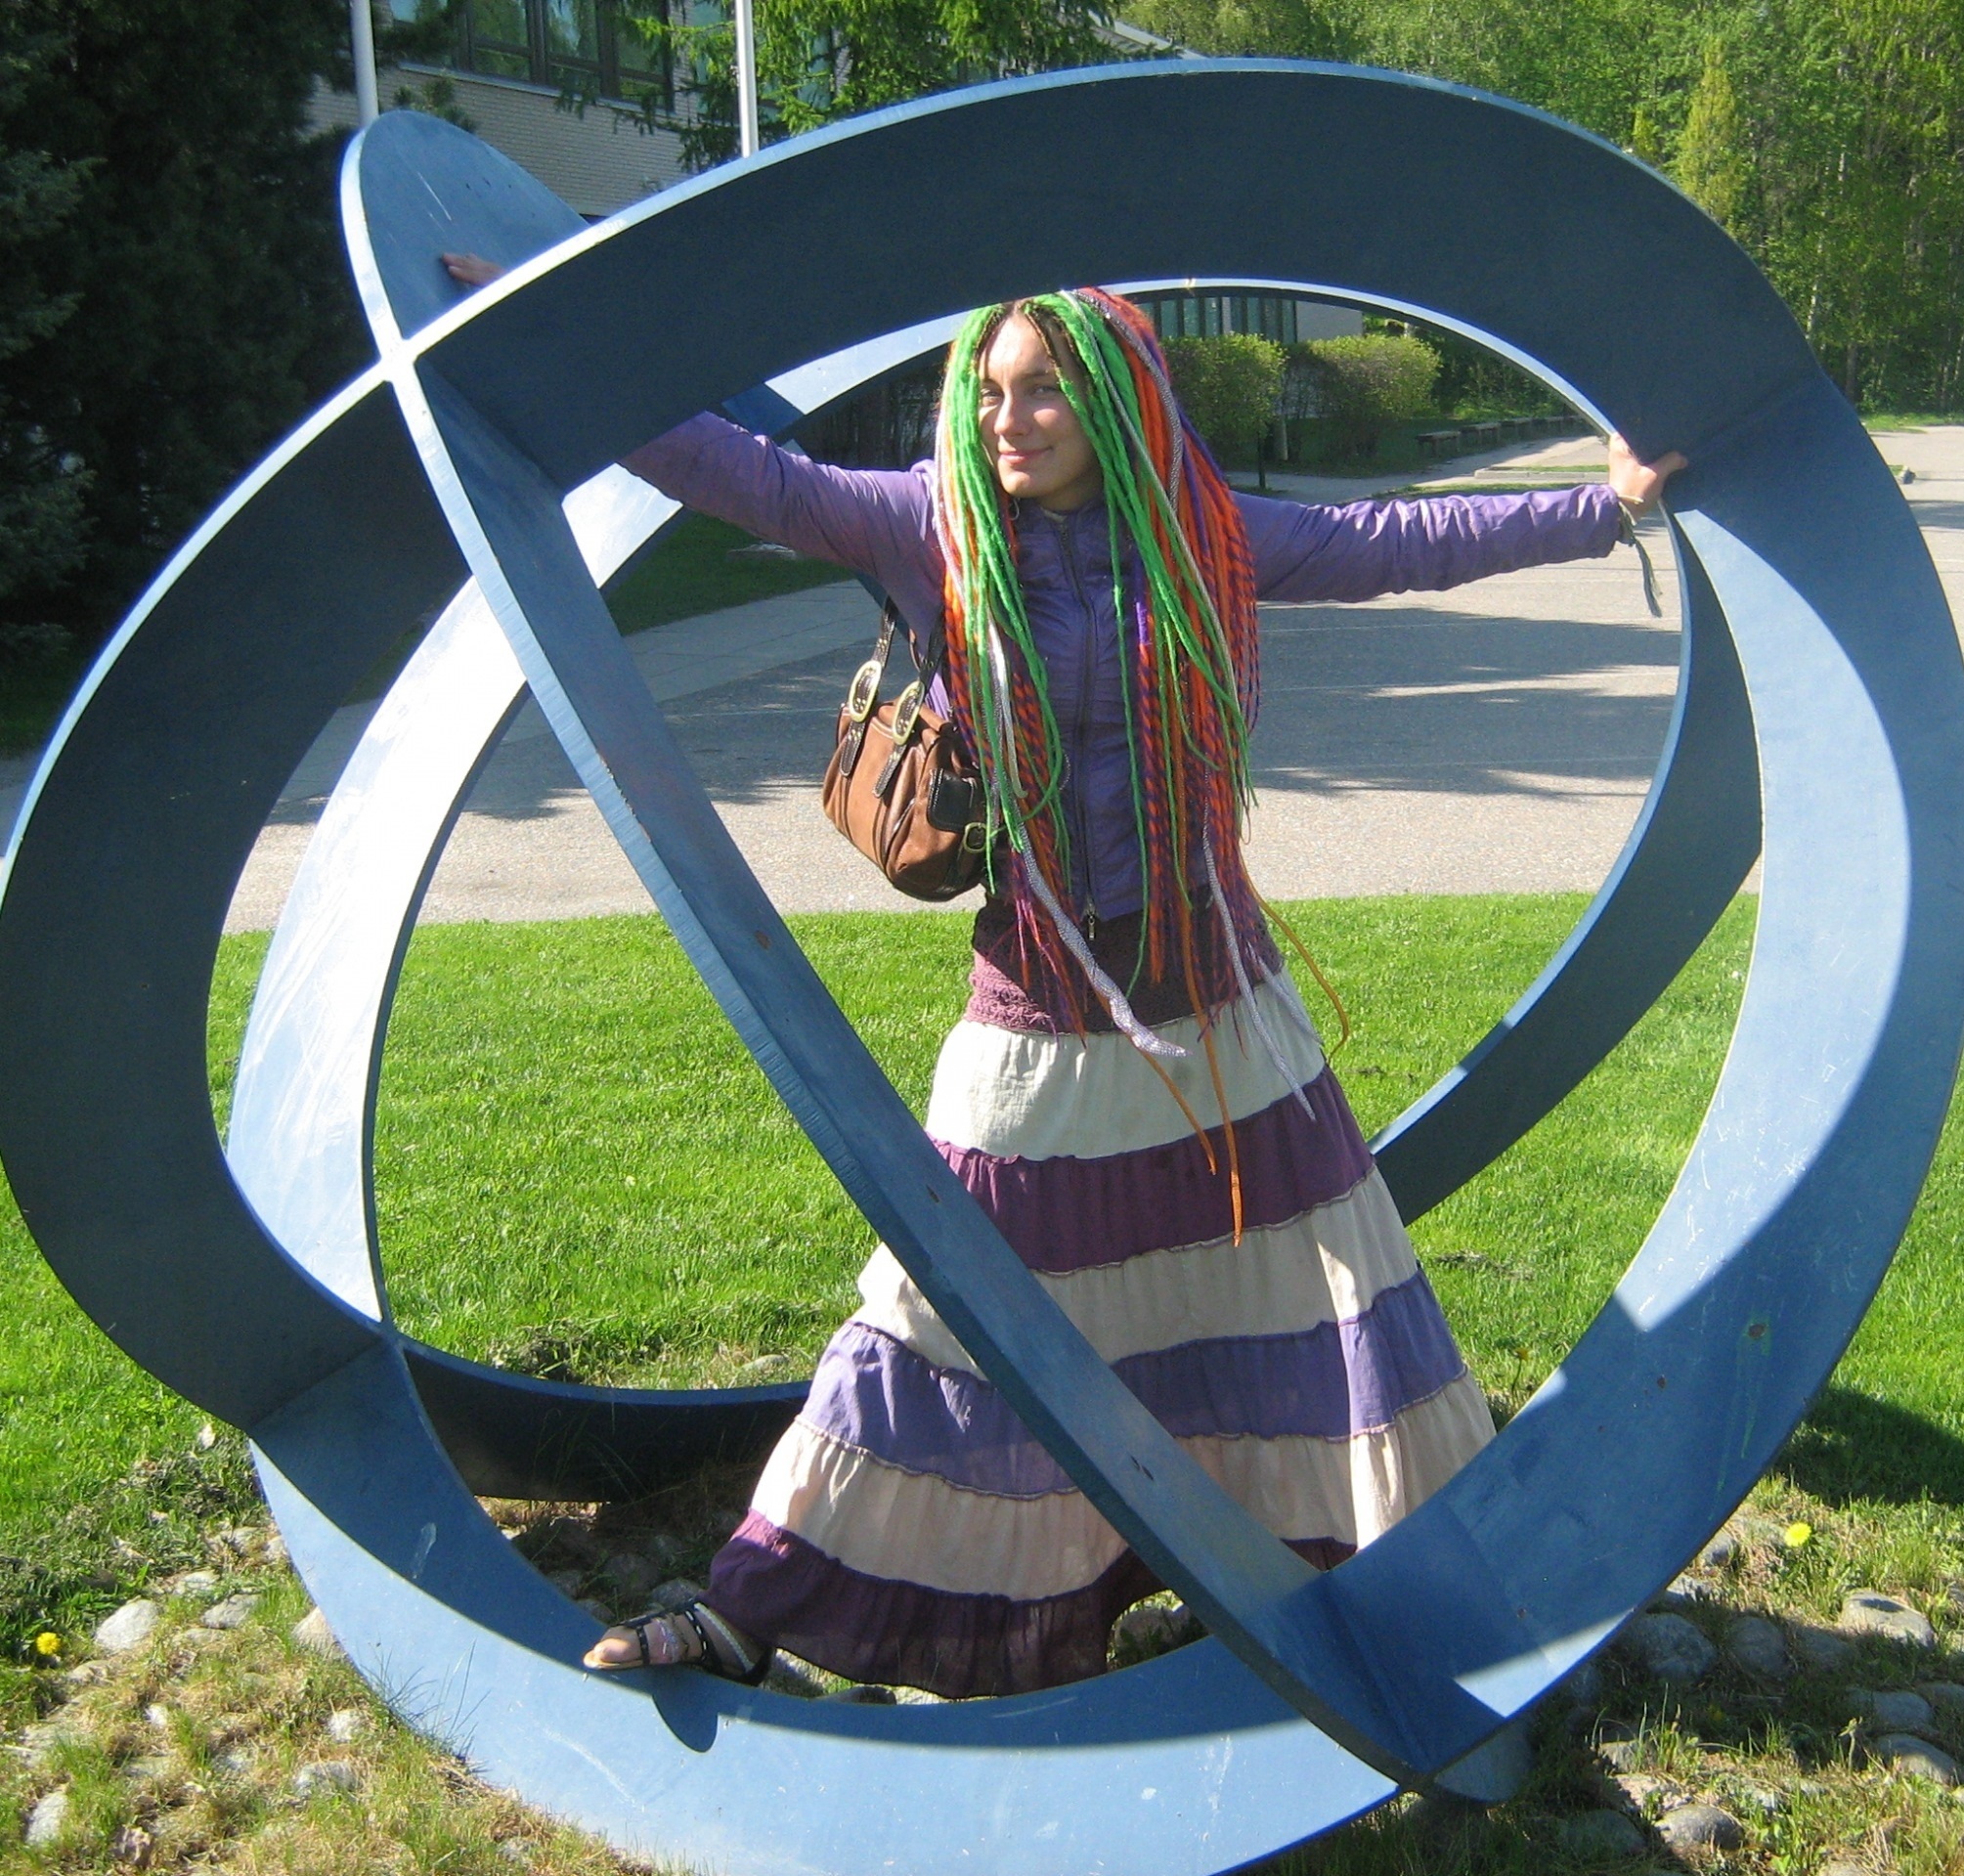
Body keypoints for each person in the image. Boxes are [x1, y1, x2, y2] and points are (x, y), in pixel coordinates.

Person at [443, 260, 1683, 1695]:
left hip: (1219, 1005)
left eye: (1041, 391)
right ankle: (753, 1610)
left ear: (1111, 401)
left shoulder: (1203, 536)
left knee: (1313, 1285)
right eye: (989, 392)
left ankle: (1399, 1592)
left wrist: (1602, 507)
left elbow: (1391, 539)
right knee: (938, 1310)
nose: (1006, 419)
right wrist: (568, 356)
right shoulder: (933, 528)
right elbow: (751, 480)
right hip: (1038, 1004)